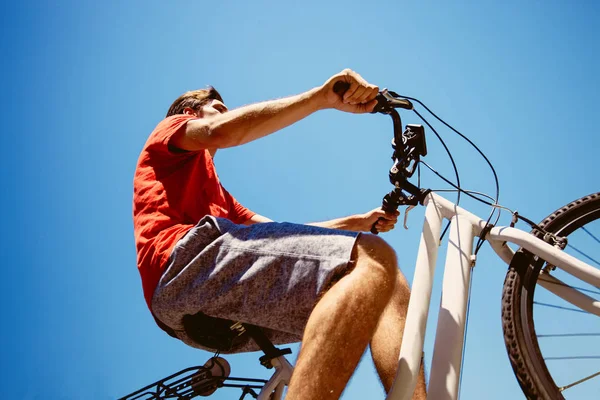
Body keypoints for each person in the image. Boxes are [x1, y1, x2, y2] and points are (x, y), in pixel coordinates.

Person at [133, 69, 426, 399]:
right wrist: (320, 98)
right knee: (371, 256)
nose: (226, 113)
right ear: (190, 112)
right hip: (183, 265)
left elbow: (287, 239)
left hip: (198, 312)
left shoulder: (222, 200)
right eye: (218, 107)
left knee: (382, 289)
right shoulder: (168, 133)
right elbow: (218, 132)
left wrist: (359, 221)